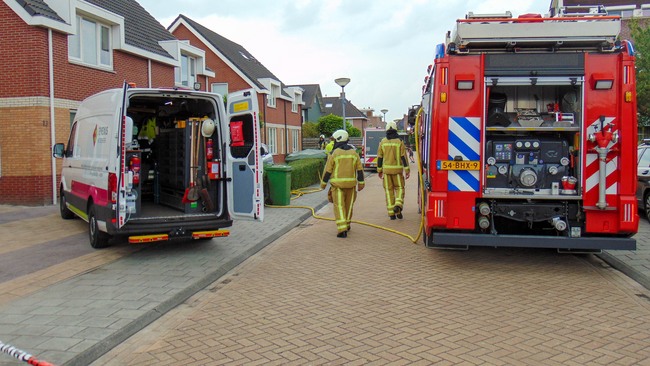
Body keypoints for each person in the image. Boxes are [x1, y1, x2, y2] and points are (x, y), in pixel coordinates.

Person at [320, 129, 365, 238]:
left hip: (337, 185)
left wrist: (323, 184)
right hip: (351, 185)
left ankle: (342, 229)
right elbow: (359, 169)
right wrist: (361, 183)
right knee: (349, 205)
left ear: (338, 140)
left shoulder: (335, 153)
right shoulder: (354, 153)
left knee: (339, 206)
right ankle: (347, 224)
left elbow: (328, 170)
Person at [377, 121, 410, 220]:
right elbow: (403, 157)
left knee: (389, 191)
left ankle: (392, 213)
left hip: (386, 172)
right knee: (400, 188)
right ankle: (398, 205)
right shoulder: (400, 141)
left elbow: (379, 157)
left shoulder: (382, 142)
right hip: (398, 172)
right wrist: (407, 170)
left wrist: (379, 170)